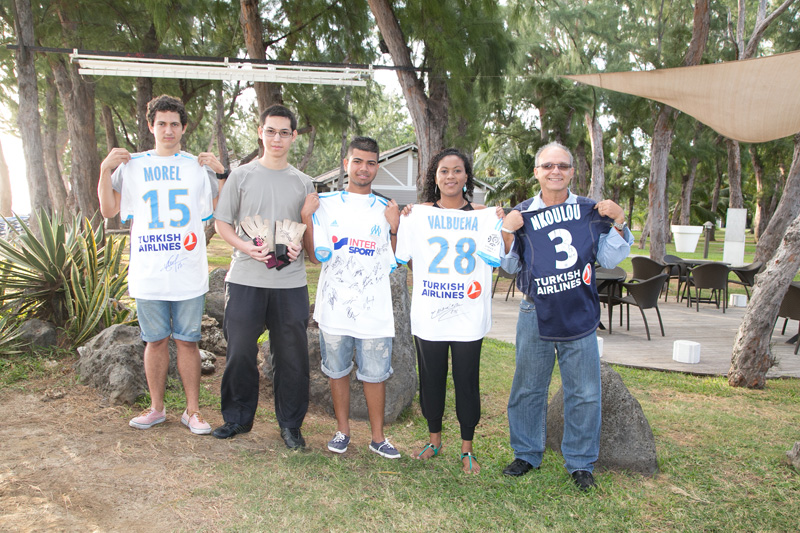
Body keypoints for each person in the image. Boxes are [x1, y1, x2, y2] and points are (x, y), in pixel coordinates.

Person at [499, 141, 634, 490]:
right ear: (537, 172)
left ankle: (580, 462)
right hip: (535, 310)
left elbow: (610, 258)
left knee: (585, 391)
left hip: (579, 310)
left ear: (572, 172)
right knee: (528, 388)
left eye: (562, 166)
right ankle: (526, 453)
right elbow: (509, 265)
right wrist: (506, 231)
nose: (555, 172)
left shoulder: (593, 211)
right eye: (548, 166)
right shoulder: (523, 213)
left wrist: (619, 221)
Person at [97, 94, 225, 435]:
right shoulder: (131, 165)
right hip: (149, 271)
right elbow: (109, 210)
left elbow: (219, 209)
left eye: (174, 124)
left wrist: (221, 174)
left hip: (186, 269)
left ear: (183, 128)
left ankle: (192, 411)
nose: (168, 130)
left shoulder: (196, 167)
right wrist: (104, 169)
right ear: (151, 126)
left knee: (188, 341)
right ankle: (156, 407)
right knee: (154, 341)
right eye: (161, 123)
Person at [212, 104, 315, 449]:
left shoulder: (304, 182)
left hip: (290, 284)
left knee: (291, 359)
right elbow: (222, 222)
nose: (277, 138)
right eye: (271, 131)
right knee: (240, 351)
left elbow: (308, 231)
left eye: (284, 132)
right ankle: (237, 419)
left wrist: (301, 242)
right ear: (260, 132)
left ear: (294, 137)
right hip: (245, 279)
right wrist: (245, 245)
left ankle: (290, 426)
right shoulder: (241, 176)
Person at [396, 148, 504, 474]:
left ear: (466, 176)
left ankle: (467, 446)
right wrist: (405, 220)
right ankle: (434, 439)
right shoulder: (418, 214)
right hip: (430, 311)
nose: (451, 177)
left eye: (457, 171)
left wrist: (498, 222)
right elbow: (406, 257)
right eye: (444, 171)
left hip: (468, 313)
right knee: (431, 379)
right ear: (435, 176)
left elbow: (496, 261)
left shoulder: (483, 215)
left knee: (466, 380)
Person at [300, 136, 402, 459]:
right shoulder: (325, 204)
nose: (364, 168)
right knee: (337, 370)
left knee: (375, 374)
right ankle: (342, 431)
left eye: (371, 163)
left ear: (377, 168)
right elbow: (315, 257)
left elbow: (394, 262)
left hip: (374, 311)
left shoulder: (386, 209)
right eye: (357, 161)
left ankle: (377, 437)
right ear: (346, 164)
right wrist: (306, 218)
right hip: (335, 309)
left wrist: (395, 229)